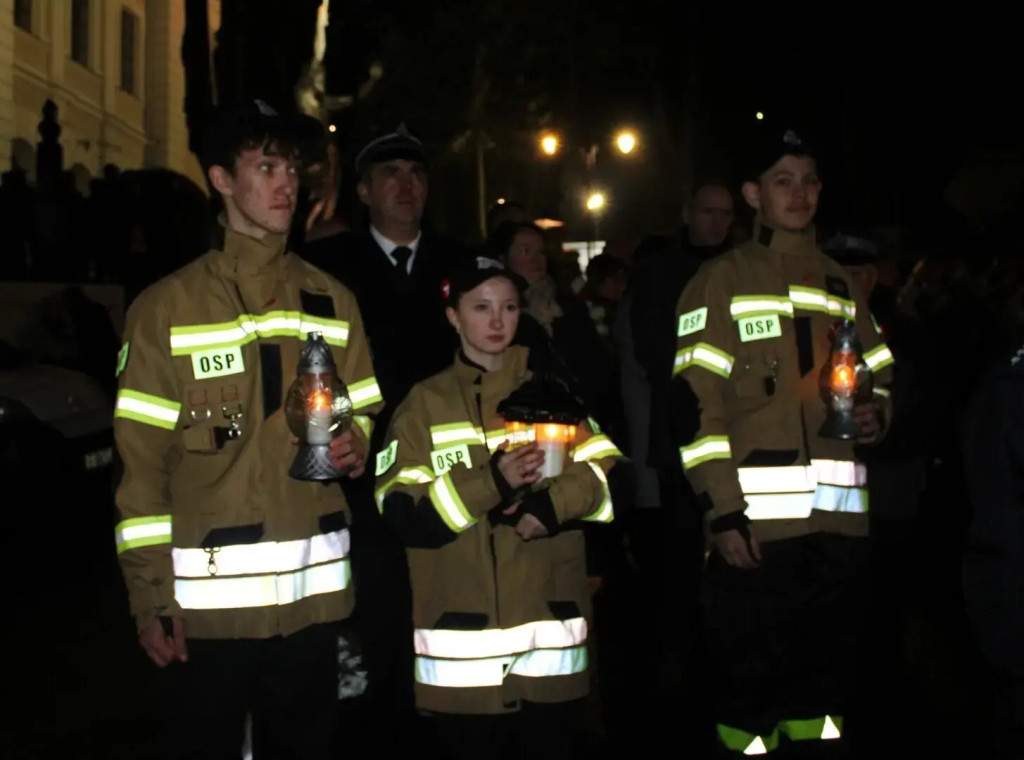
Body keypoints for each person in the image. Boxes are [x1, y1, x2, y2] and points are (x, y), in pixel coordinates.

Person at [111, 100, 383, 759]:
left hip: (314, 609)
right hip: (209, 621)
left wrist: (359, 442)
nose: (287, 183)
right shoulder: (165, 310)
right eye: (266, 166)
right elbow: (141, 471)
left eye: (292, 167)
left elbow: (368, 411)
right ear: (221, 180)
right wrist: (151, 599)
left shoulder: (332, 300)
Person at [672, 127, 895, 758]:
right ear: (752, 195)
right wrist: (722, 512)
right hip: (756, 535)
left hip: (840, 530)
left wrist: (880, 410)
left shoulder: (840, 282)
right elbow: (695, 408)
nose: (801, 194)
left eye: (810, 180)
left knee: (824, 691)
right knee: (748, 693)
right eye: (782, 181)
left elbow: (882, 371)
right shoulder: (720, 280)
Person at [374, 257, 628, 760]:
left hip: (548, 650)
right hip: (463, 659)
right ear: (453, 316)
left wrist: (551, 507)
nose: (497, 321)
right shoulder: (422, 406)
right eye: (481, 307)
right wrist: (493, 481)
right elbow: (403, 513)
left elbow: (606, 470)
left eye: (509, 307)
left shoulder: (552, 388)